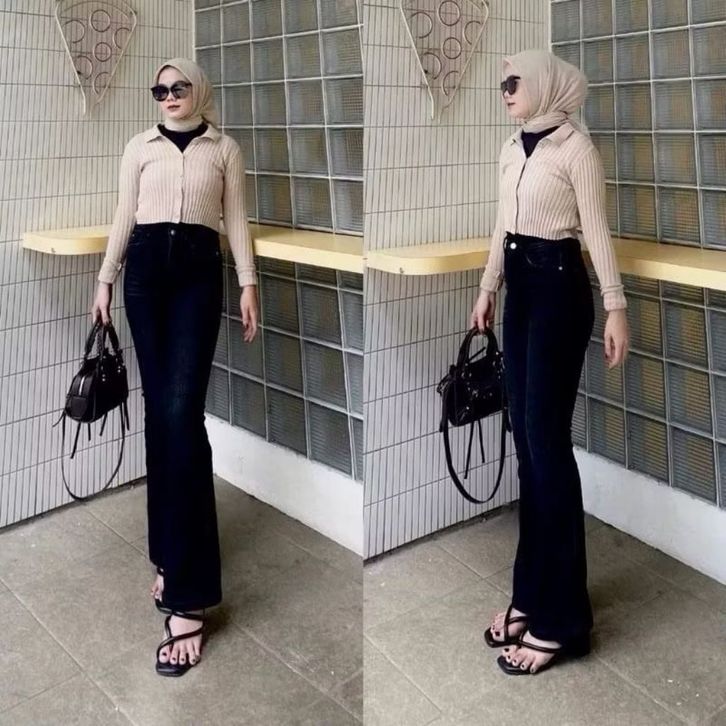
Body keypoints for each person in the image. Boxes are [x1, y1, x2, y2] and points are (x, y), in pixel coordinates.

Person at [91, 58, 259, 677]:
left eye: (177, 87)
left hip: (195, 275)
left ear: (198, 91)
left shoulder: (224, 148)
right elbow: (124, 214)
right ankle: (167, 553)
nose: (167, 96)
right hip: (144, 276)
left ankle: (189, 596)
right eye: (159, 89)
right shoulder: (140, 147)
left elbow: (235, 218)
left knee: (183, 419)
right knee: (160, 419)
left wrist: (247, 282)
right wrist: (106, 279)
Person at [470, 49, 629, 676]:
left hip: (561, 291)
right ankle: (531, 596)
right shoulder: (512, 148)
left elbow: (596, 231)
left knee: (547, 445)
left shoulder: (575, 149)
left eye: (515, 81)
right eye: (502, 83)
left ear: (545, 85)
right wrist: (487, 287)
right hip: (520, 290)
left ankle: (564, 621)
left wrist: (615, 306)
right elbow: (502, 224)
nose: (506, 90)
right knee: (526, 445)